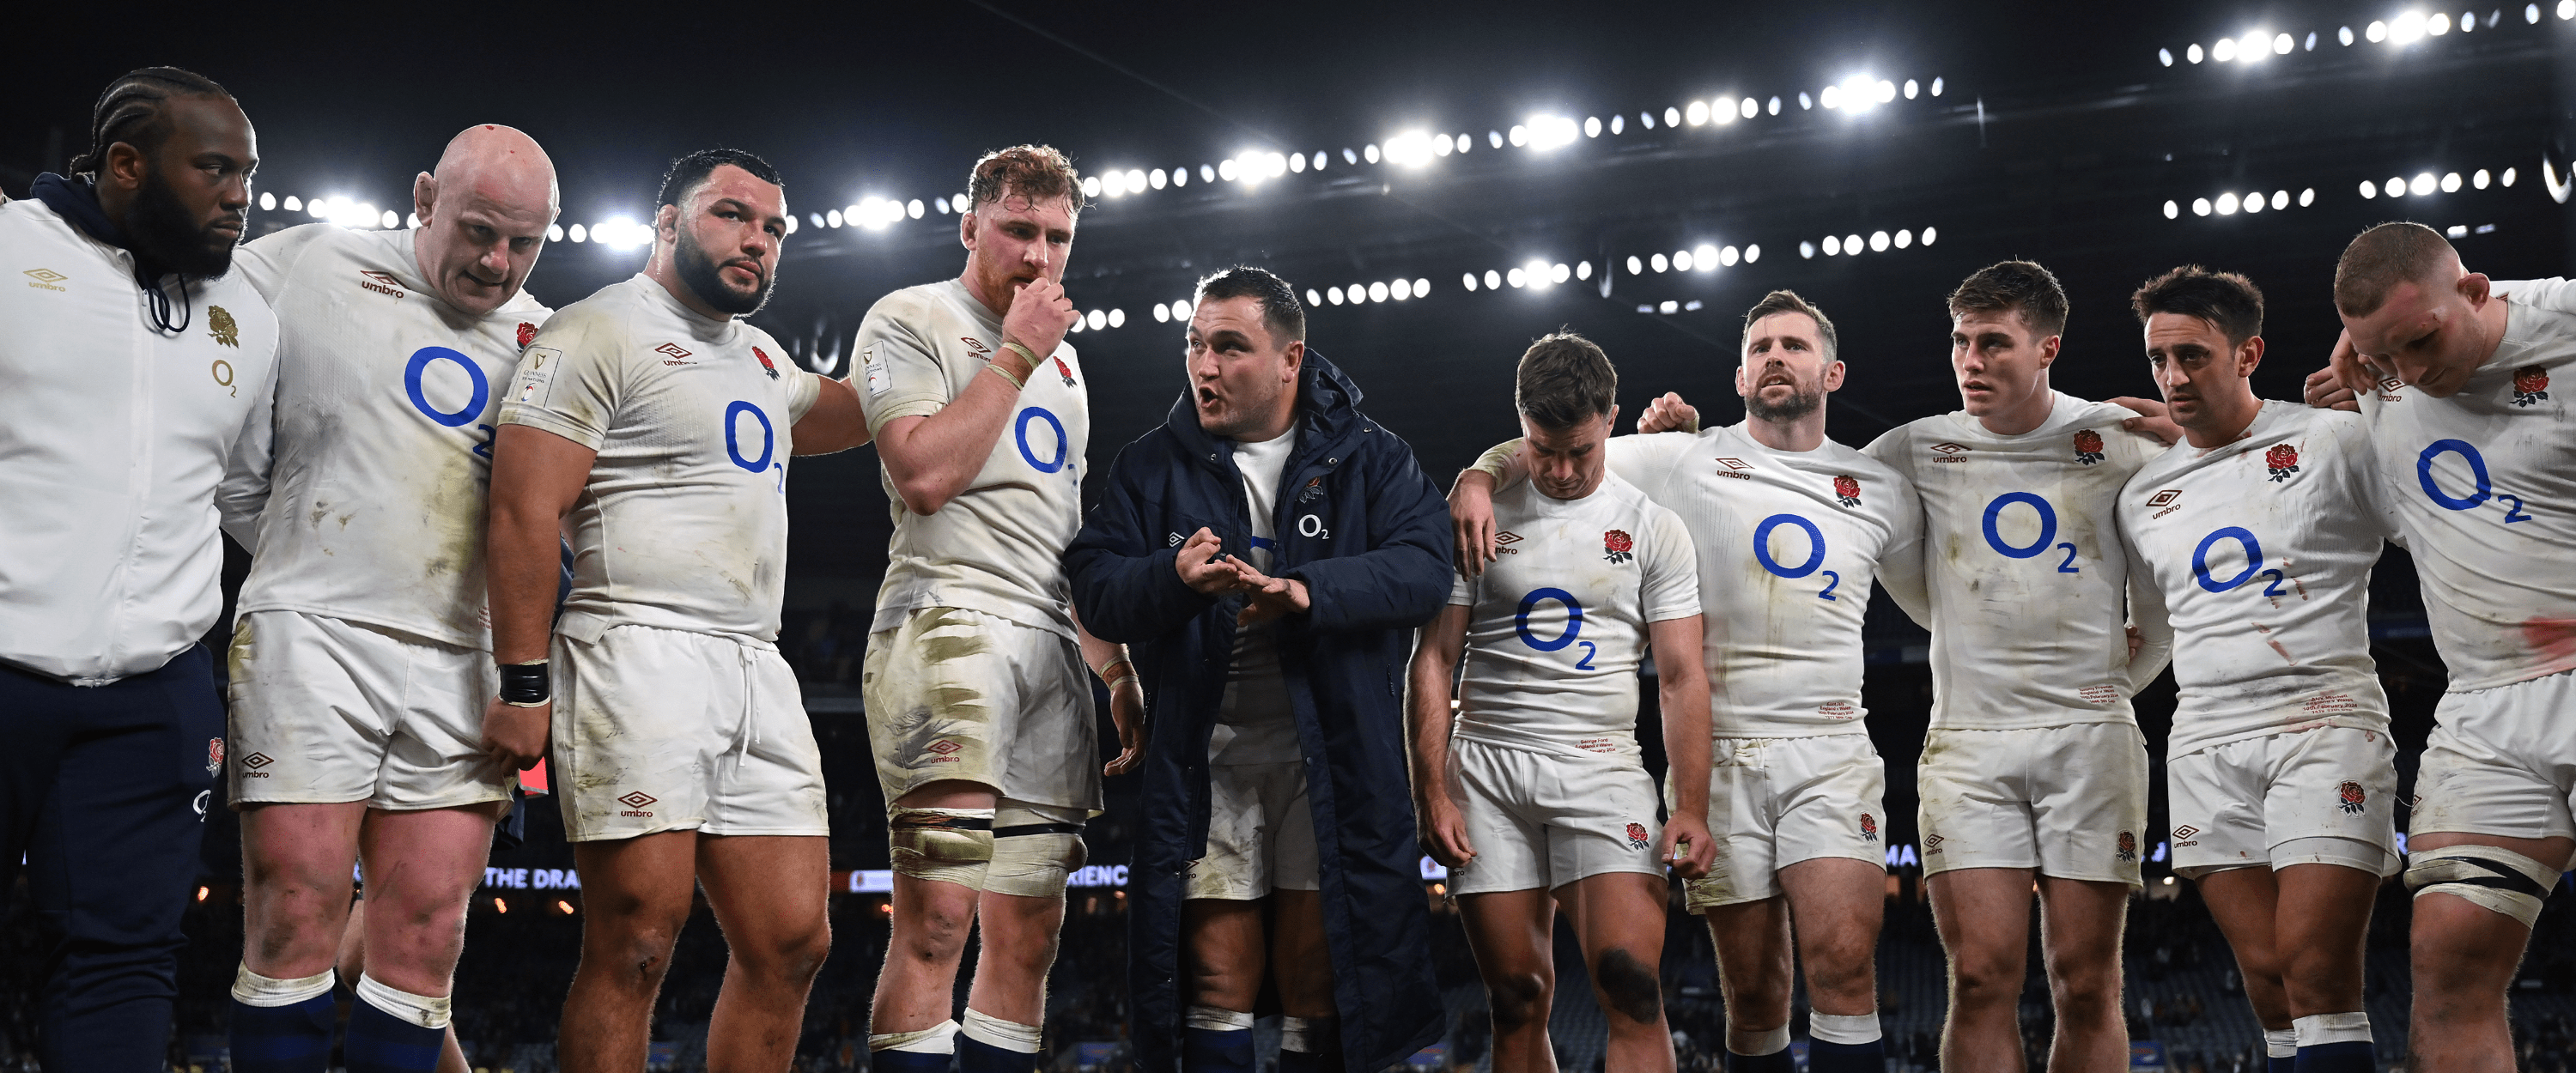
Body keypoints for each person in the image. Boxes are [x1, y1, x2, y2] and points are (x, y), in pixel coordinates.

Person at [1452, 291, 1924, 1072]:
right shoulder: (1678, 456)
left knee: (1843, 965)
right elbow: (1552, 440)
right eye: (1760, 347)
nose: (1775, 356)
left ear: (1833, 371)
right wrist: (1476, 473)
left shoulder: (1878, 485)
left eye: (1795, 346)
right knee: (1756, 992)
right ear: (1737, 378)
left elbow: (1944, 598)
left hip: (1833, 745)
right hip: (1724, 751)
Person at [483, 148, 868, 1073]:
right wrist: (524, 680)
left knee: (793, 941)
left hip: (754, 660)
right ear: (666, 224)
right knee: (638, 938)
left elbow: (858, 414)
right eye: (733, 215)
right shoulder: (594, 330)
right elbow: (522, 509)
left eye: (775, 229)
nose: (759, 242)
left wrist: (977, 340)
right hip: (631, 647)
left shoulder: (764, 356)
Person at [216, 124, 559, 1073]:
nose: (496, 262)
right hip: (310, 632)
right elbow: (217, 420)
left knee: (424, 937)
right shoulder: (306, 261)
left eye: (522, 243)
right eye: (478, 230)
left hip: (464, 658)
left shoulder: (550, 340)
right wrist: (294, 543)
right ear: (422, 198)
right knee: (292, 910)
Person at [1065, 267, 1452, 1072]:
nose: (1204, 366)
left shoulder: (1372, 458)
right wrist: (1172, 580)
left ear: (1290, 359)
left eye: (1230, 347)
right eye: (1195, 346)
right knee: (1212, 975)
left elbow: (1422, 567)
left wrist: (1306, 589)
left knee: (1319, 974)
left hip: (1334, 759)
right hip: (1210, 757)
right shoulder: (1151, 466)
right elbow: (1094, 585)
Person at [0, 66, 275, 1072]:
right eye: (213, 168)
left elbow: (246, 492)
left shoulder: (247, 307)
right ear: (124, 164)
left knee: (125, 958)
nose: (238, 193)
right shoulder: (10, 250)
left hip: (154, 691)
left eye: (247, 172)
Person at [853, 145, 1145, 1073]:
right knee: (938, 918)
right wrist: (1017, 349)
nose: (1040, 255)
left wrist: (1115, 665)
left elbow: (1064, 544)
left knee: (1029, 935)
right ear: (971, 225)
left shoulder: (1069, 372)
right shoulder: (911, 317)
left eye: (1058, 237)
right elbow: (924, 473)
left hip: (1049, 649)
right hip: (947, 622)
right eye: (1019, 229)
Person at [1845, 261, 2169, 1071]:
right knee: (1983, 978)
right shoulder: (1911, 448)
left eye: (1994, 342)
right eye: (1961, 342)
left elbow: (2165, 597)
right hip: (1969, 740)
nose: (1971, 360)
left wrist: (2116, 682)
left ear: (2048, 347)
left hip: (2090, 739)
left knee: (2086, 982)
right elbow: (1844, 520)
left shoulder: (2119, 438)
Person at [2299, 224, 2576, 1071]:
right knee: (2446, 958)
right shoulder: (2376, 370)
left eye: (2421, 343)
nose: (2411, 373)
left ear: (2479, 289)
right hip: (2486, 703)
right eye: (2389, 357)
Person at [1406, 332, 1715, 1073]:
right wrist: (1431, 791)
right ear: (1521, 424)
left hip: (1603, 770)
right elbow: (1435, 659)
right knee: (1515, 997)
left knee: (1632, 987)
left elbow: (1681, 677)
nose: (1564, 470)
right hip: (1487, 770)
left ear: (1612, 419)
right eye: (1544, 451)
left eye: (1580, 449)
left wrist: (1692, 804)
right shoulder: (1475, 515)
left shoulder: (1652, 527)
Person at [2117, 265, 2397, 1072]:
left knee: (2317, 968)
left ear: (2248, 355)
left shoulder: (2331, 439)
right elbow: (2155, 629)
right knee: (2269, 982)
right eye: (2159, 360)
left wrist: (2391, 408)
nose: (2172, 378)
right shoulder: (2144, 495)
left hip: (2324, 718)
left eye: (2193, 357)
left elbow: (2436, 524)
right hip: (2204, 736)